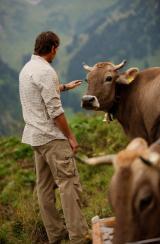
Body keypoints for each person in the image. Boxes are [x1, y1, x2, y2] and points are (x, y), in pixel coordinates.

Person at [19, 31, 90, 244]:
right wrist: (71, 136)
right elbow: (55, 110)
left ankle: (56, 237)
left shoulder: (27, 69)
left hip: (35, 137)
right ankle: (79, 237)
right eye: (56, 49)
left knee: (44, 189)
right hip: (52, 138)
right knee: (68, 184)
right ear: (52, 48)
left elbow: (39, 93)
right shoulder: (46, 71)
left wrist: (65, 87)